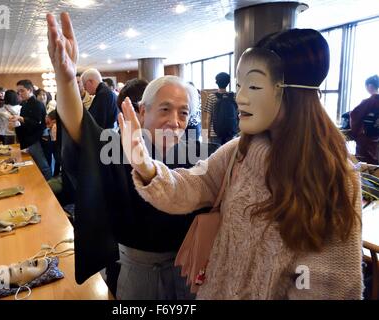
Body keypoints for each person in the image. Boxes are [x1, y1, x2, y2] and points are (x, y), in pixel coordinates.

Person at [119, 28, 363, 299]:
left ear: (293, 92)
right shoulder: (240, 150)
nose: (240, 97)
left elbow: (330, 286)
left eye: (255, 86)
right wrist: (146, 166)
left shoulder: (332, 174)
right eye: (240, 85)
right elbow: (195, 184)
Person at [47, 13, 215, 299]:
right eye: (165, 109)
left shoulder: (195, 152)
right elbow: (83, 135)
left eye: (183, 113)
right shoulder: (119, 146)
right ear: (142, 112)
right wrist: (65, 81)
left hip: (188, 269)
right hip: (138, 273)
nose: (175, 121)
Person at [11, 80, 52, 180]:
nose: (19, 94)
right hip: (28, 140)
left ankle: (51, 189)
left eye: (22, 91)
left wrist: (21, 119)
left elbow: (37, 123)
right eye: (18, 92)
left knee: (43, 166)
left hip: (36, 140)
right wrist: (15, 125)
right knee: (34, 165)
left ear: (29, 90)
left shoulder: (38, 104)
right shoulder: (24, 104)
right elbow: (24, 123)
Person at [350, 75, 379, 164]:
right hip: (377, 139)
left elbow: (354, 115)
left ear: (369, 86)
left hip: (366, 140)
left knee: (364, 166)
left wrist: (354, 133)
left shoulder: (367, 102)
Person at [202, 72, 237, 145]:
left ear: (216, 82)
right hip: (230, 132)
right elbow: (237, 114)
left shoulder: (211, 97)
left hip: (214, 133)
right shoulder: (233, 96)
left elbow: (207, 119)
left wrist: (206, 135)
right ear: (228, 82)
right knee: (228, 154)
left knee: (215, 154)